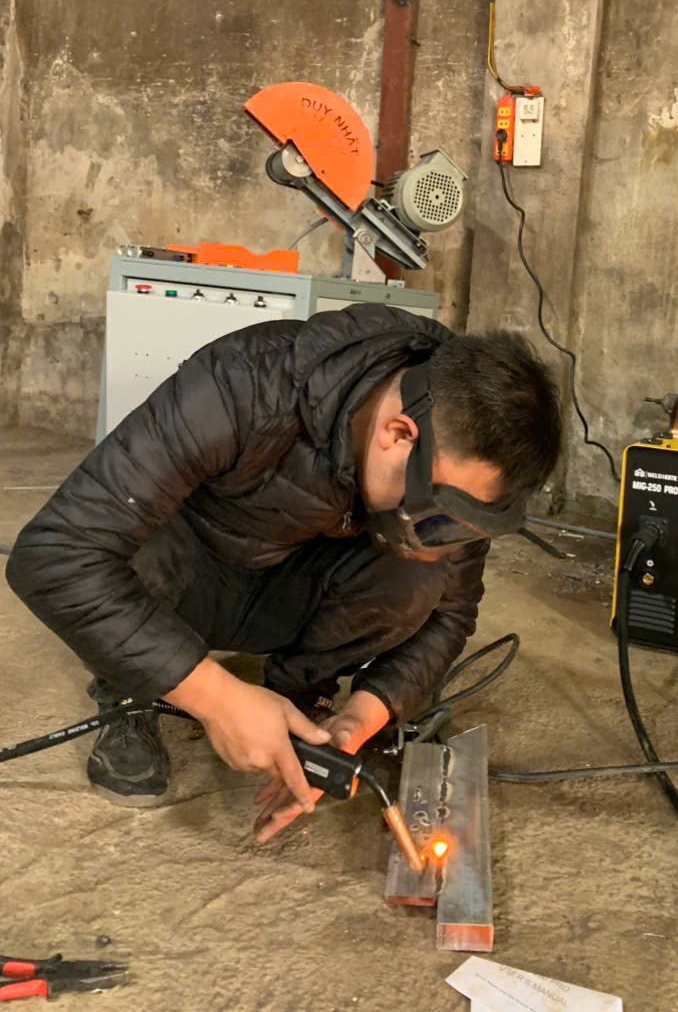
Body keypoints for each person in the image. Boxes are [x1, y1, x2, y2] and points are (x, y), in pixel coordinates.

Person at [6, 303, 562, 842]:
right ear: (398, 434)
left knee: (420, 575)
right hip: (185, 579)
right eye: (439, 514)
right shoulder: (242, 385)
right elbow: (54, 553)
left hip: (285, 590)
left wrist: (361, 717)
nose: (441, 533)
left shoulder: (458, 445)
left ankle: (299, 703)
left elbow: (453, 613)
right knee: (124, 544)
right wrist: (214, 697)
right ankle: (130, 692)